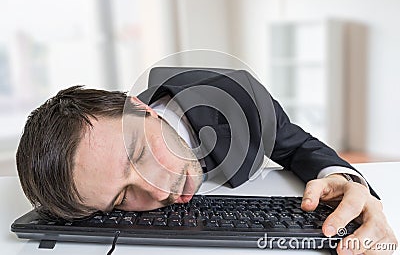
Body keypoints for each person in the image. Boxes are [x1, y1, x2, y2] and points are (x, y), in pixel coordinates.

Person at [16, 68, 397, 254]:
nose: (156, 188)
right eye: (121, 198)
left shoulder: (242, 101)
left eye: (140, 154)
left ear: (141, 109)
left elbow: (299, 147)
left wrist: (350, 182)